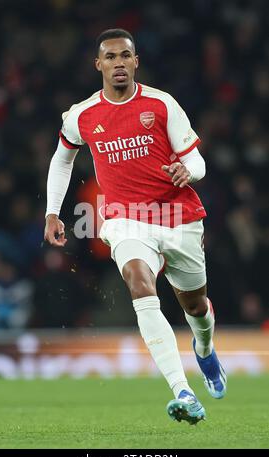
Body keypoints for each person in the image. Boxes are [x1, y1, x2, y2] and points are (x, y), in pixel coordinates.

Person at [44, 28, 227, 425]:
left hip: (177, 216)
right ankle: (183, 391)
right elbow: (62, 160)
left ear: (136, 61)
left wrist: (187, 172)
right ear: (99, 65)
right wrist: (52, 212)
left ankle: (205, 346)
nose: (118, 63)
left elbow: (197, 161)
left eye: (125, 55)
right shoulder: (83, 115)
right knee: (139, 283)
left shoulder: (161, 105)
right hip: (125, 220)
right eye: (110, 57)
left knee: (195, 307)